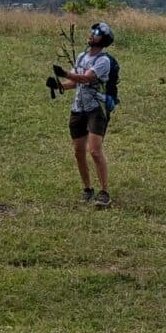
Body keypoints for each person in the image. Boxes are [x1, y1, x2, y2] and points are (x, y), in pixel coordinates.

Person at [51, 22, 118, 207]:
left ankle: (104, 193)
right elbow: (74, 83)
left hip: (96, 108)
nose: (91, 34)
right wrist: (58, 85)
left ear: (102, 39)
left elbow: (86, 78)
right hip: (78, 108)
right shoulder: (81, 56)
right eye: (92, 31)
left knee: (95, 151)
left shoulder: (103, 61)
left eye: (96, 33)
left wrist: (65, 72)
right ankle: (87, 189)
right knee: (78, 151)